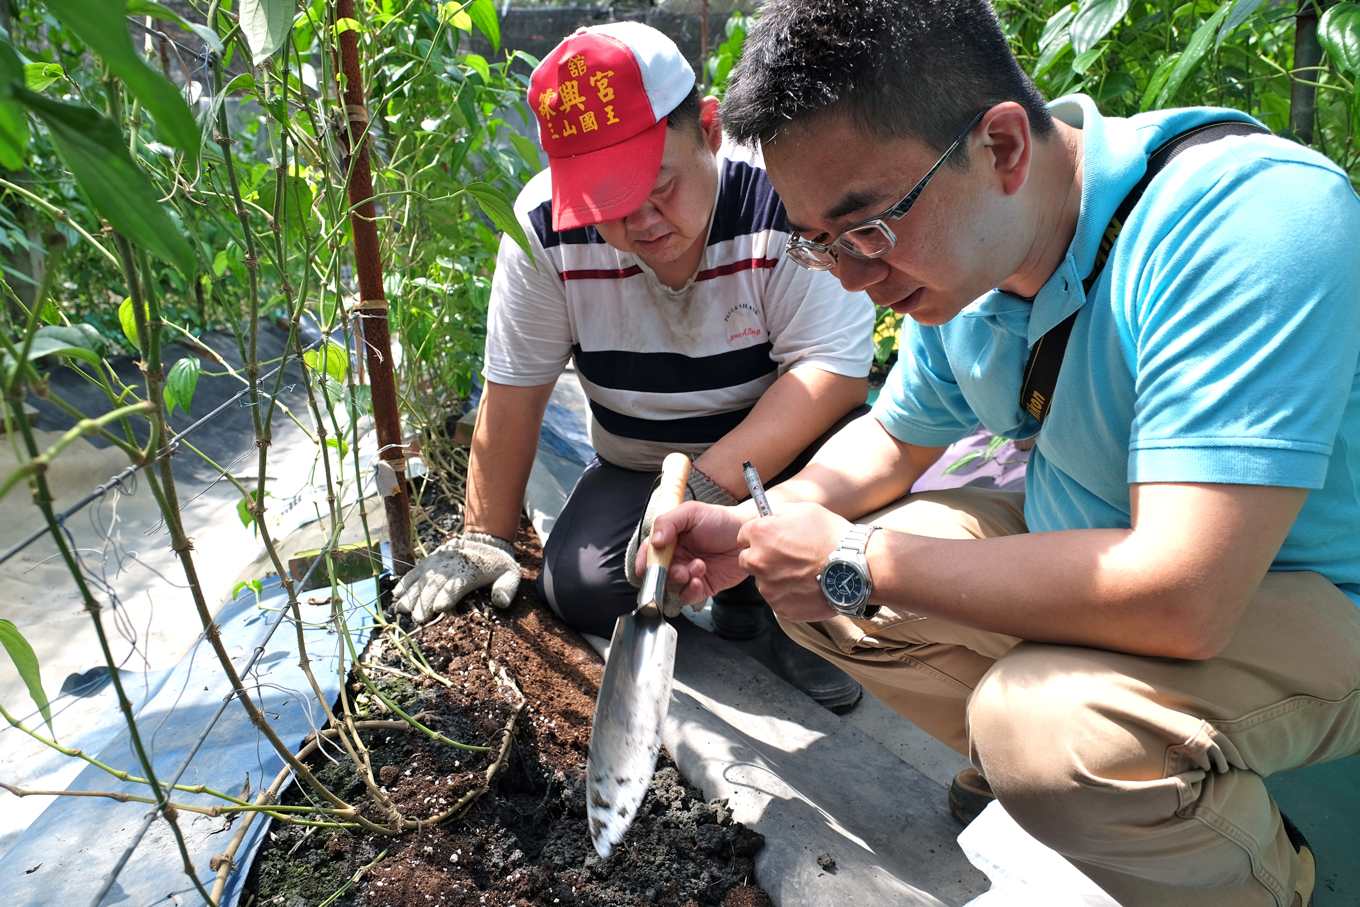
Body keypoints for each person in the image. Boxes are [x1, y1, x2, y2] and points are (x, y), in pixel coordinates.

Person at [643, 1, 1360, 904]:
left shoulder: (1245, 224)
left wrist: (858, 557)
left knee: (1045, 731)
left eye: (868, 227)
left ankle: (1268, 879)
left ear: (1004, 146)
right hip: (1103, 539)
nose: (858, 278)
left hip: (1306, 593)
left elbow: (1185, 594)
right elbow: (892, 440)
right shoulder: (967, 259)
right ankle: (1066, 780)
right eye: (821, 243)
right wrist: (755, 519)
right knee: (810, 582)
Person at [394, 21, 877, 713]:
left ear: (709, 131)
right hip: (639, 460)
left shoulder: (782, 196)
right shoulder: (542, 229)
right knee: (581, 585)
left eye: (661, 187)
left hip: (781, 455)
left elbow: (832, 371)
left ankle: (787, 617)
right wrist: (483, 537)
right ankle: (729, 602)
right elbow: (514, 393)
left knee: (854, 497)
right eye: (608, 206)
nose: (642, 223)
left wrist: (704, 492)